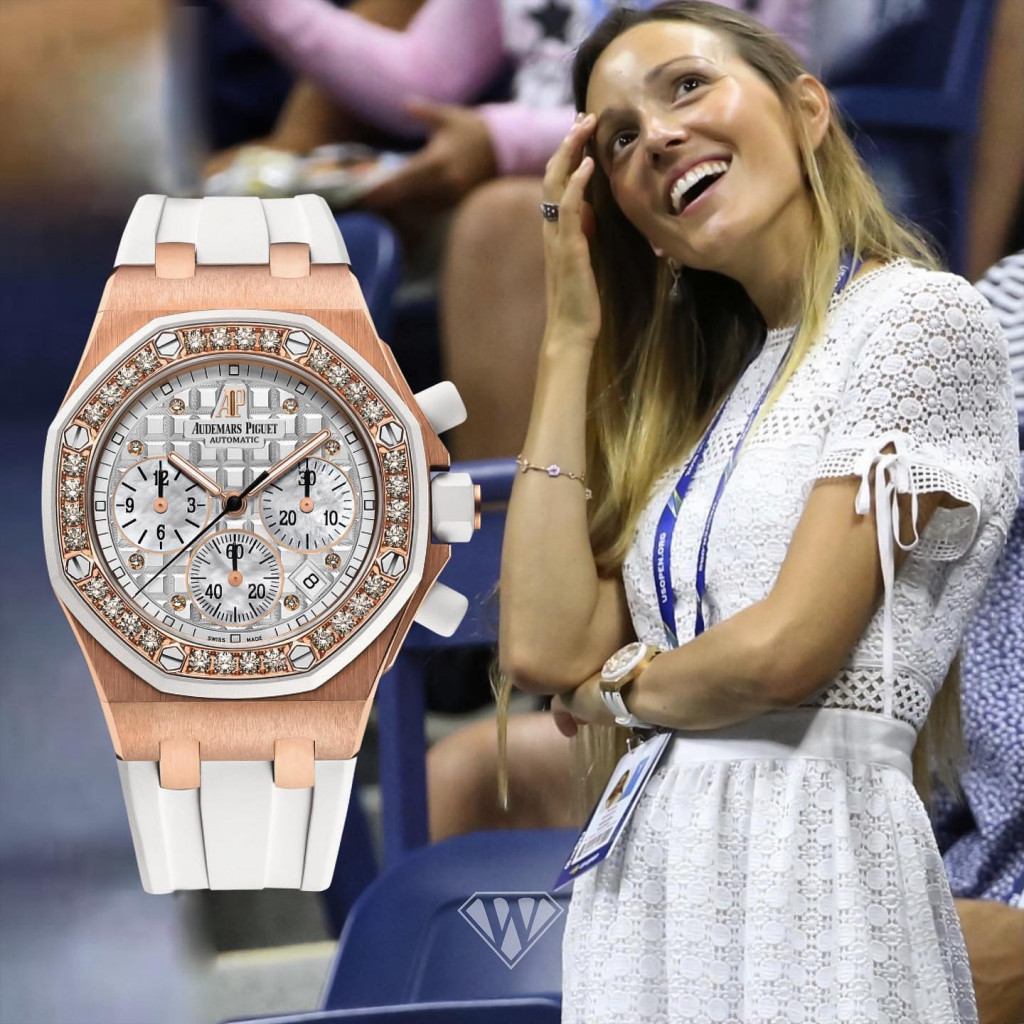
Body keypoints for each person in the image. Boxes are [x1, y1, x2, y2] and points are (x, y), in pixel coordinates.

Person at [497, 3, 1019, 1021]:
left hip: (815, 861)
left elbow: (787, 653)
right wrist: (568, 337)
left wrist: (613, 692)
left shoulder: (917, 320)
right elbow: (543, 645)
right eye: (618, 139)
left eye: (688, 87)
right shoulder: (700, 403)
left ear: (807, 111)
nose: (657, 136)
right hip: (650, 879)